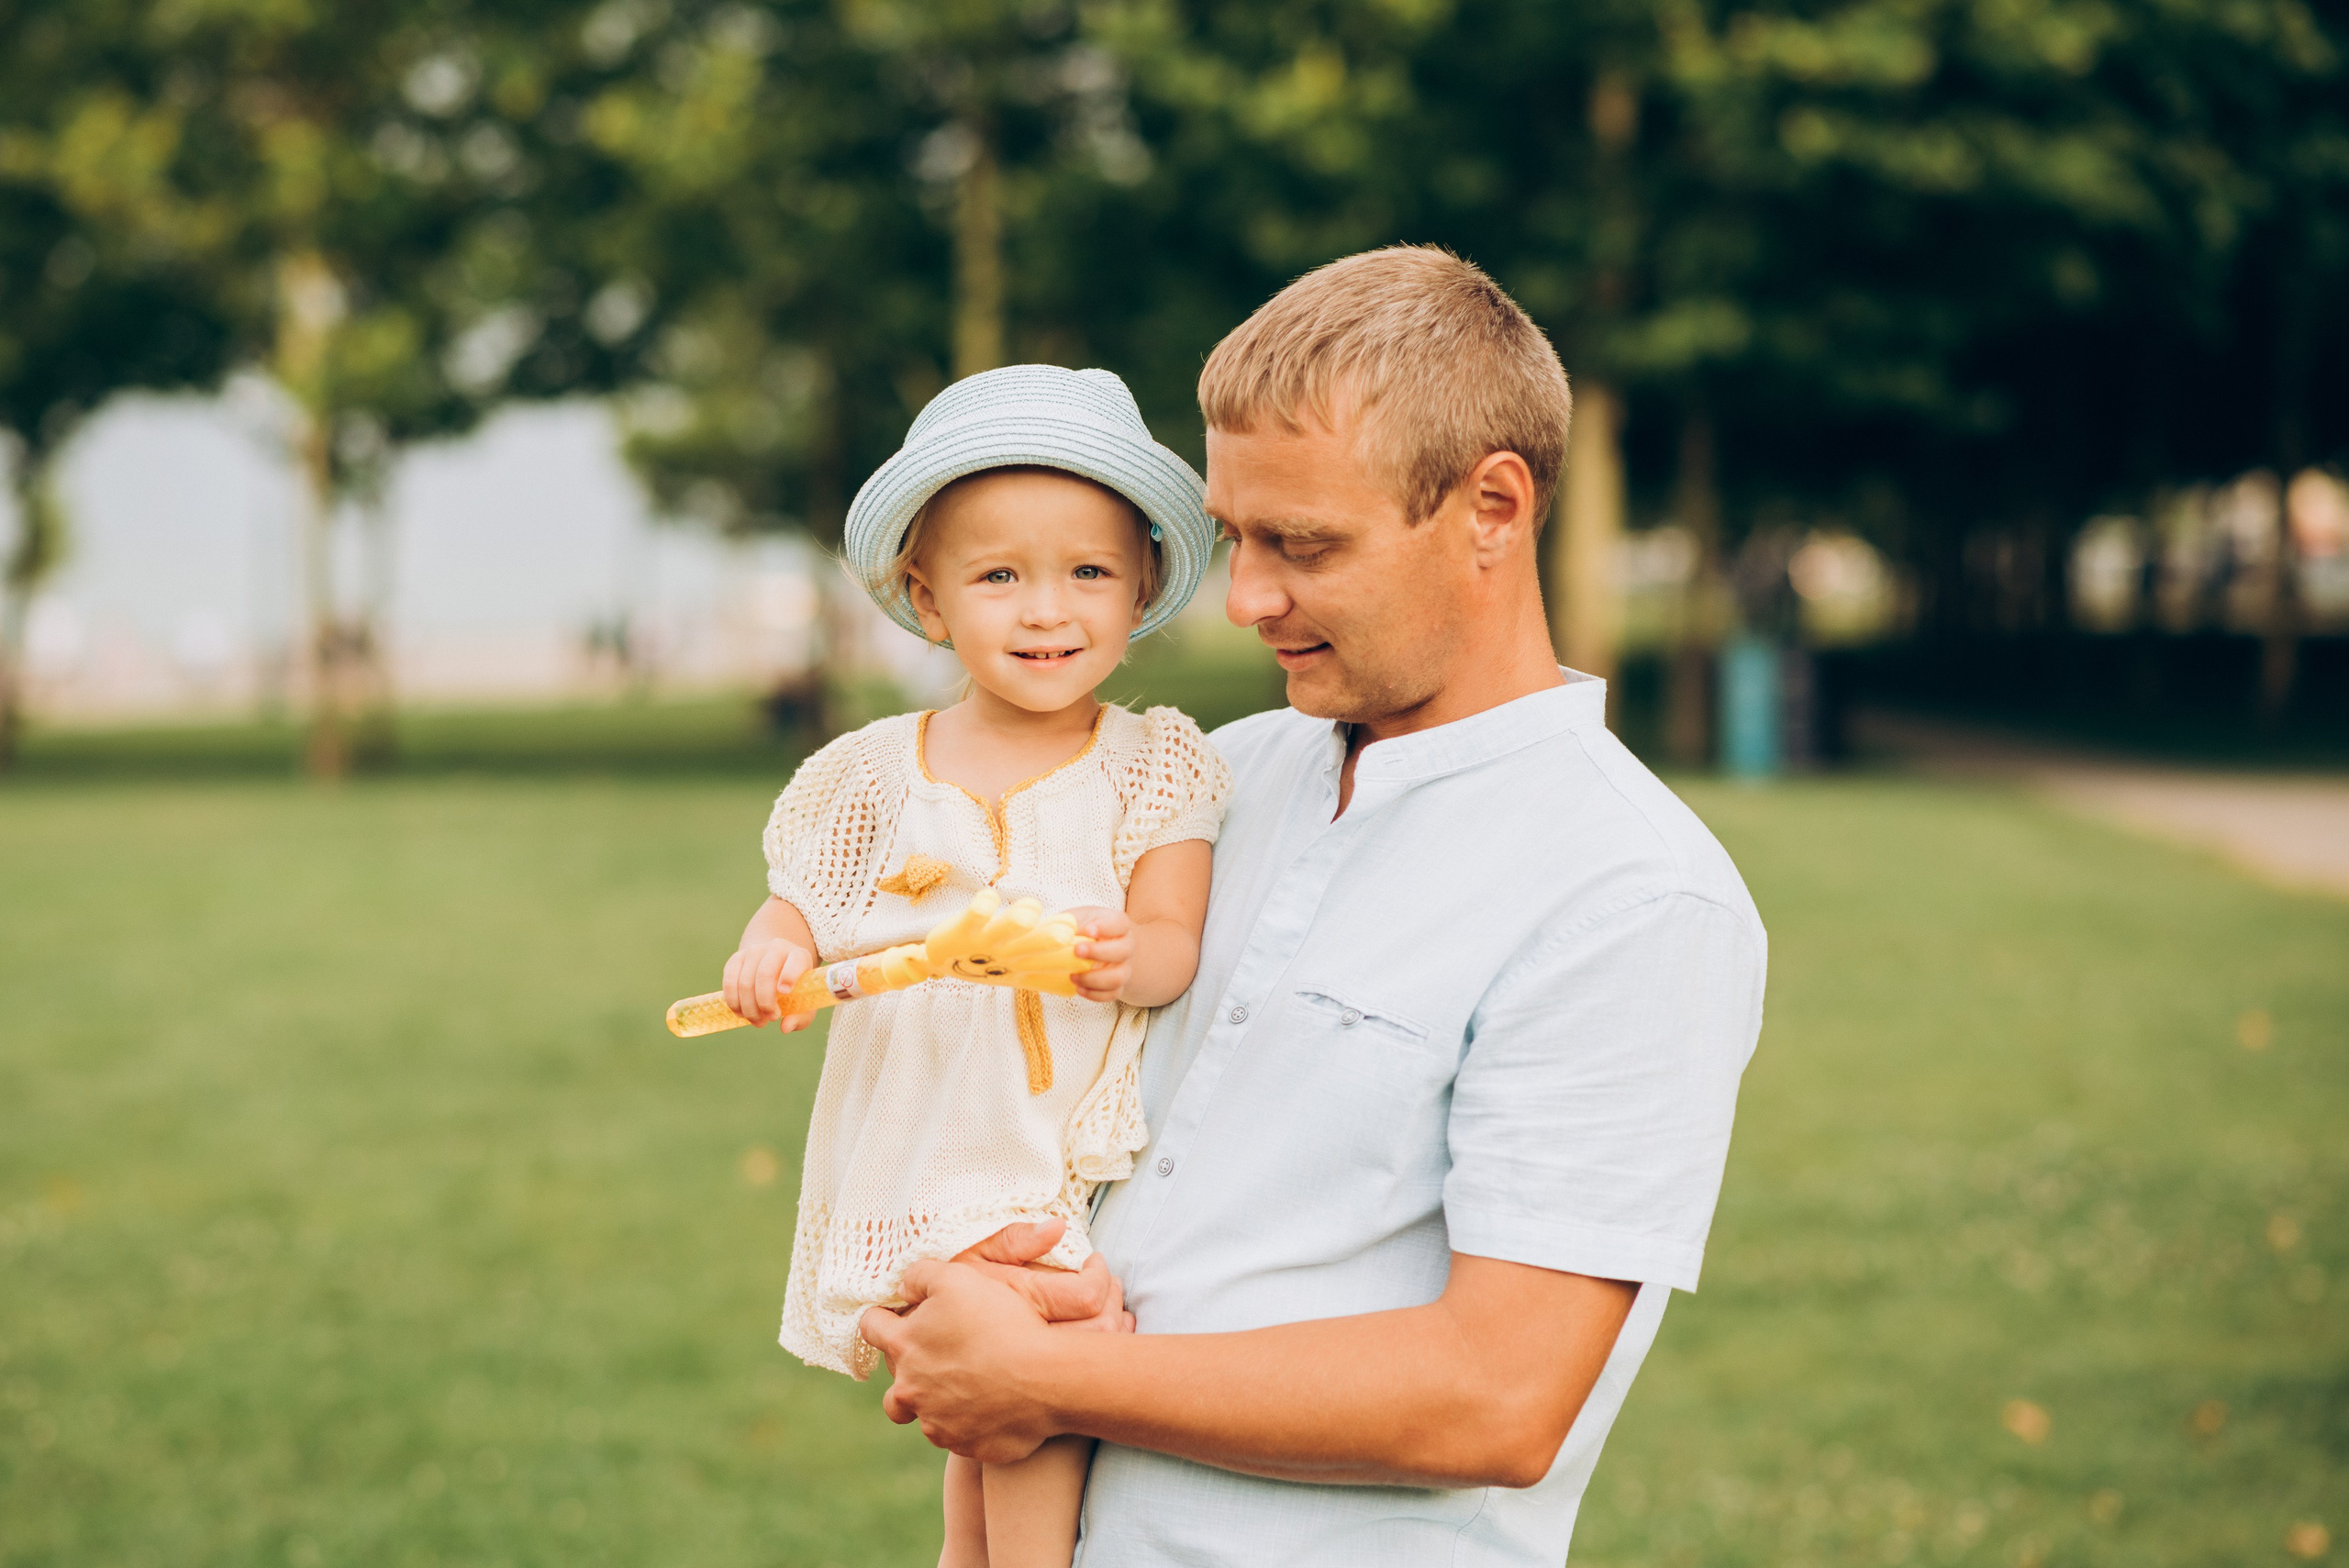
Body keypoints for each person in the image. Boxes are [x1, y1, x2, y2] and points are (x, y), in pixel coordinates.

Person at [859, 247, 1768, 1566]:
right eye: (1237, 536)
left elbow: (1500, 1396)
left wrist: (1048, 1382)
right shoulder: (1207, 778)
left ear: (1494, 509)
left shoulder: (1631, 894)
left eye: (1306, 544)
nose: (1246, 597)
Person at [718, 364, 1230, 1568]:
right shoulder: (874, 771)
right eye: (1000, 575)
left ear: (1143, 583)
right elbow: (799, 905)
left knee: (1023, 1368)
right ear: (929, 596)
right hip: (920, 1126)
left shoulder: (1151, 765)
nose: (1048, 610)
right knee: (987, 1384)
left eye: (1088, 572)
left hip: (1040, 1132)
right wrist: (770, 951)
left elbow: (1172, 941)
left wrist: (1125, 955)